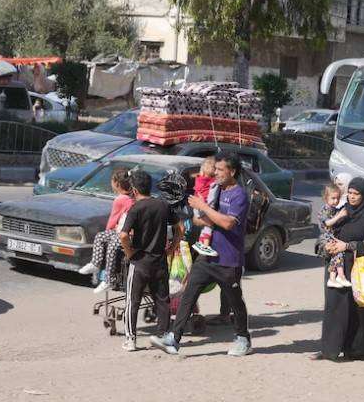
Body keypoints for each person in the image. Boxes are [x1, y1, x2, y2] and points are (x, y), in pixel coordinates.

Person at [150, 153, 253, 357]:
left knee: (235, 301)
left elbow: (228, 223)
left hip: (228, 259)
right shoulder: (216, 191)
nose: (216, 173)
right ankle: (173, 338)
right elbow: (202, 221)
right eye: (215, 169)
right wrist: (199, 212)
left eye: (220, 170)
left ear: (232, 172)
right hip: (207, 255)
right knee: (188, 294)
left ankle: (243, 338)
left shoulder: (239, 195)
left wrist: (204, 208)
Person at [310, 177, 364, 361]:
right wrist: (326, 246)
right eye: (350, 193)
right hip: (336, 267)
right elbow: (326, 230)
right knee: (333, 308)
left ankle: (357, 349)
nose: (352, 197)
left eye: (356, 194)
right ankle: (329, 350)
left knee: (359, 309)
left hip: (358, 268)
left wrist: (347, 246)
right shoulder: (343, 212)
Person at [119, 169, 181, 352]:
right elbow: (179, 229)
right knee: (162, 300)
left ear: (134, 190)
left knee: (133, 300)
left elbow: (123, 235)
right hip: (159, 260)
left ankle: (131, 340)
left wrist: (130, 253)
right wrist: (171, 247)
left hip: (139, 262)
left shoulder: (135, 208)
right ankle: (163, 336)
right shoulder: (163, 205)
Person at [79, 169, 134, 293]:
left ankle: (109, 278)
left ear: (116, 184)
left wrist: (108, 231)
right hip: (123, 230)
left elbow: (113, 218)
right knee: (101, 237)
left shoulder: (120, 199)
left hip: (125, 233)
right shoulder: (130, 197)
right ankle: (95, 264)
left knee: (109, 242)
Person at [316, 183, 350, 288]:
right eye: (333, 198)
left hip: (331, 237)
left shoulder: (334, 209)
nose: (336, 201)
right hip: (326, 238)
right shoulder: (325, 209)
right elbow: (327, 223)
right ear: (326, 198)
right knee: (337, 253)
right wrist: (339, 216)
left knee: (337, 256)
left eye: (338, 198)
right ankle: (340, 276)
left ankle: (334, 277)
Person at [192, 156, 219, 257]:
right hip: (204, 206)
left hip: (197, 208)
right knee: (209, 225)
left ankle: (201, 243)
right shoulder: (212, 181)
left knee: (205, 226)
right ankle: (205, 245)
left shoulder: (199, 179)